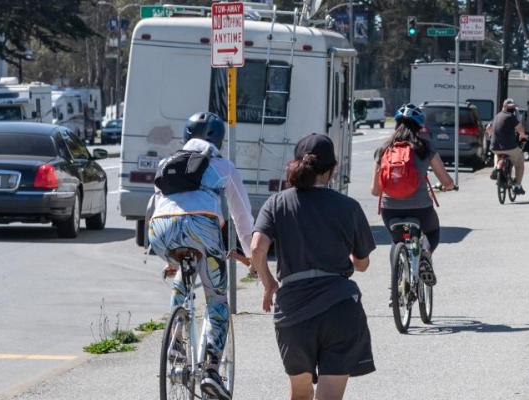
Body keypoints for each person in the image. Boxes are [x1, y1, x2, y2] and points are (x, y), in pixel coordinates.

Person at [248, 134, 376, 400]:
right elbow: (362, 264)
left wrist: (268, 282)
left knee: (301, 393)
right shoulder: (349, 207)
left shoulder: (276, 203)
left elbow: (256, 248)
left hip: (293, 312)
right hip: (340, 308)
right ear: (332, 169)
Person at [146, 111, 255, 400]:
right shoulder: (223, 165)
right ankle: (210, 371)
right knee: (217, 299)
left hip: (159, 231)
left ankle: (176, 340)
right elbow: (242, 217)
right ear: (218, 139)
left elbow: (154, 206)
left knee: (183, 273)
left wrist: (169, 259)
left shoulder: (167, 163)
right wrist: (253, 255)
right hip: (201, 228)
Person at [373, 104, 455, 285]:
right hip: (420, 208)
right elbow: (446, 180)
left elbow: (376, 190)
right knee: (433, 232)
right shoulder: (425, 148)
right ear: (419, 126)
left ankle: (396, 284)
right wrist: (448, 186)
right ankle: (425, 254)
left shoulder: (383, 150)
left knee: (396, 242)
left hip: (390, 210)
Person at [488, 98, 527, 195]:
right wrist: (522, 135)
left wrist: (490, 135)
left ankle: (496, 167)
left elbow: (488, 127)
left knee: (497, 153)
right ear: (505, 107)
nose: (512, 109)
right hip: (510, 147)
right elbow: (520, 128)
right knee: (520, 162)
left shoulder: (496, 116)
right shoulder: (511, 116)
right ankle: (518, 186)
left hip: (495, 146)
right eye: (511, 108)